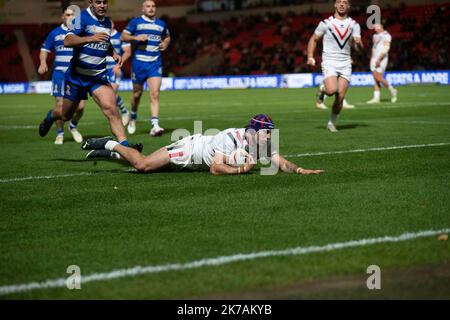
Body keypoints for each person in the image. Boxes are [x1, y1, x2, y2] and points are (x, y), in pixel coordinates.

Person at [83, 114, 324, 176]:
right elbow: (215, 169)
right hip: (187, 152)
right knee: (143, 165)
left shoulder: (259, 143)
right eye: (266, 134)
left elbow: (279, 162)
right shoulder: (230, 138)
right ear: (253, 132)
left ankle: (107, 153)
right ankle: (111, 143)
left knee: (146, 168)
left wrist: (301, 170)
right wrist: (241, 169)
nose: (269, 138)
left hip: (192, 163)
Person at [39, 0, 130, 147]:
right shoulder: (79, 18)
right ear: (91, 2)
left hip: (97, 77)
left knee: (112, 110)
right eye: (98, 2)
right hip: (77, 77)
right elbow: (67, 41)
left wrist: (113, 53)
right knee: (65, 115)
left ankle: (125, 148)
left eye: (105, 2)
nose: (102, 5)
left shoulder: (107, 22)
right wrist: (90, 38)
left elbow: (105, 41)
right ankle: (51, 116)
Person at [307, 0, 363, 132]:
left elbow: (359, 49)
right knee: (331, 90)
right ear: (335, 5)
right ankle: (323, 89)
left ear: (349, 6)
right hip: (329, 61)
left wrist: (359, 44)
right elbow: (313, 39)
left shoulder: (354, 25)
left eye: (345, 2)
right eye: (339, 2)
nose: (342, 4)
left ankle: (331, 123)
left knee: (341, 96)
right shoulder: (326, 23)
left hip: (346, 63)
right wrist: (310, 56)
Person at [120, 0, 171, 137]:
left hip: (155, 64)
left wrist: (165, 43)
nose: (151, 8)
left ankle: (155, 125)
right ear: (143, 9)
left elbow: (167, 37)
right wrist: (136, 37)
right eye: (148, 6)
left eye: (153, 6)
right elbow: (123, 36)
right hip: (138, 64)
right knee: (137, 95)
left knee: (154, 95)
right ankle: (133, 116)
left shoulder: (161, 24)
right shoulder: (135, 22)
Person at [38, 5, 85, 145]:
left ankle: (73, 126)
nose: (71, 17)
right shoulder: (55, 33)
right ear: (63, 17)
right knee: (60, 106)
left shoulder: (79, 32)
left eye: (73, 15)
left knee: (81, 107)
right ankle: (60, 133)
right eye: (68, 15)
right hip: (60, 74)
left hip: (77, 74)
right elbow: (44, 49)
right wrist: (42, 62)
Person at [107, 22, 131, 125]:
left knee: (112, 93)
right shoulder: (101, 36)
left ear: (113, 24)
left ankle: (123, 113)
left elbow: (127, 52)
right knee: (107, 96)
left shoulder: (120, 36)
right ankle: (123, 110)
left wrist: (118, 65)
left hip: (114, 69)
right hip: (101, 69)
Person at [367, 24, 398, 104]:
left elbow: (386, 48)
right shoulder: (375, 35)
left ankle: (392, 90)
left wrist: (379, 59)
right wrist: (372, 58)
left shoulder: (387, 35)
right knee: (375, 79)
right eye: (374, 28)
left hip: (382, 59)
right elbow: (374, 47)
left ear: (381, 27)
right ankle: (376, 98)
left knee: (379, 77)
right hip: (374, 59)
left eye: (376, 27)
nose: (374, 29)